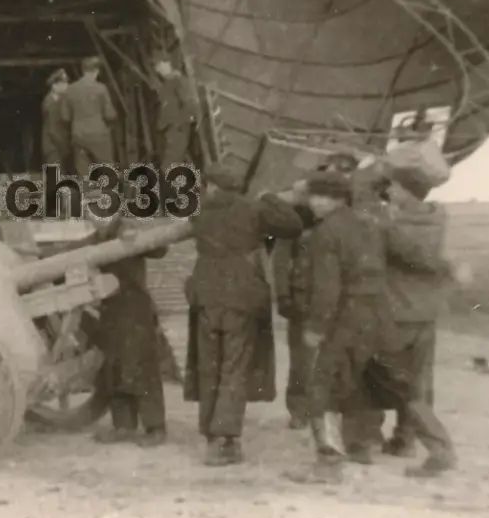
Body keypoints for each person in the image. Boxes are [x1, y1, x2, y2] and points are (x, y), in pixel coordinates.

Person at [287, 171, 462, 485]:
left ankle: (329, 462)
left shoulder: (325, 233)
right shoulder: (373, 223)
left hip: (345, 320)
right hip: (378, 317)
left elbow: (327, 288)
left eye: (315, 196)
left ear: (332, 199)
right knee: (400, 384)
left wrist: (316, 326)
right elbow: (414, 255)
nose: (311, 203)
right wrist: (450, 268)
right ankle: (441, 450)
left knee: (322, 387)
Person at [183, 164, 305, 466]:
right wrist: (269, 198)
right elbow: (293, 225)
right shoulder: (254, 210)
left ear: (212, 186)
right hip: (242, 296)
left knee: (210, 365)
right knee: (234, 368)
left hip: (206, 295)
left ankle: (212, 434)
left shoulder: (199, 212)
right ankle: (224, 440)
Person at [376, 167, 450, 460]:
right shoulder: (439, 217)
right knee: (420, 377)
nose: (390, 191)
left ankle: (373, 439)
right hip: (427, 307)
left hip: (395, 305)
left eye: (394, 187)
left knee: (386, 375)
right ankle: (406, 438)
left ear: (405, 190)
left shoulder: (388, 222)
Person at [91, 215, 170, 447]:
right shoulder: (97, 237)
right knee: (115, 368)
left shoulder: (128, 227)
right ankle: (123, 426)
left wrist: (137, 237)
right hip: (111, 310)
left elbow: (160, 249)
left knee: (143, 369)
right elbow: (72, 251)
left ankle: (155, 427)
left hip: (135, 309)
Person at [271, 197, 319, 429]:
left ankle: (323, 410)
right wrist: (283, 296)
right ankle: (299, 410)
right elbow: (280, 262)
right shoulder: (294, 219)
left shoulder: (336, 219)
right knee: (301, 360)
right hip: (302, 301)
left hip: (330, 300)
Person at [60, 56, 118, 183]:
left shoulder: (70, 90)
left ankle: (86, 200)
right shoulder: (101, 88)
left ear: (83, 70)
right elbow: (110, 114)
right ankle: (110, 198)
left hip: (78, 135)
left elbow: (65, 117)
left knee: (83, 172)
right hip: (98, 134)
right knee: (106, 168)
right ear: (97, 71)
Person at [153, 56, 199, 199]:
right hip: (171, 129)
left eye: (159, 65)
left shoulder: (177, 81)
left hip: (177, 129)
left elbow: (189, 104)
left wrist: (180, 123)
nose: (157, 70)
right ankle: (178, 200)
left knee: (169, 166)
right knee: (173, 164)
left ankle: (174, 201)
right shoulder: (169, 82)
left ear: (168, 64)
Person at [42, 69, 72, 171]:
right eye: (63, 84)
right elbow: (52, 129)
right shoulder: (51, 103)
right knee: (55, 178)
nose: (67, 86)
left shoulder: (59, 100)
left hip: (58, 145)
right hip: (54, 146)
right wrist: (64, 147)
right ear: (54, 86)